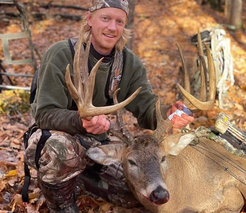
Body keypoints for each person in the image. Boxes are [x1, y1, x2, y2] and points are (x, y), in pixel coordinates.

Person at [24, 0, 194, 212]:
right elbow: (45, 113)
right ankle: (62, 204)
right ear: (89, 19)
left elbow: (147, 106)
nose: (112, 27)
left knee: (135, 191)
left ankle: (81, 178)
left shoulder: (129, 63)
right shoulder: (60, 54)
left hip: (98, 138)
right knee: (61, 150)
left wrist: (168, 114)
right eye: (105, 18)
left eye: (119, 21)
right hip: (54, 134)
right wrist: (81, 120)